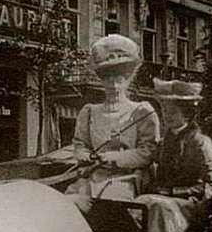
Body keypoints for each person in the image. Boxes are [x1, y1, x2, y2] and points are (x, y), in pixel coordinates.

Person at [137, 80, 212, 232]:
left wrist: (173, 191)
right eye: (164, 110)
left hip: (192, 204)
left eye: (172, 111)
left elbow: (211, 185)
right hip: (163, 199)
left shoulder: (201, 142)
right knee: (137, 204)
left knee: (158, 208)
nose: (166, 115)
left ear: (186, 113)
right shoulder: (165, 142)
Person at [69, 34, 161, 205]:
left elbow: (148, 151)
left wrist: (115, 158)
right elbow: (80, 144)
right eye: (107, 79)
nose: (113, 86)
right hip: (92, 177)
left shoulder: (141, 111)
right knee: (68, 202)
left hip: (127, 179)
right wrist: (87, 156)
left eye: (119, 79)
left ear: (128, 79)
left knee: (109, 203)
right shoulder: (89, 112)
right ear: (101, 80)